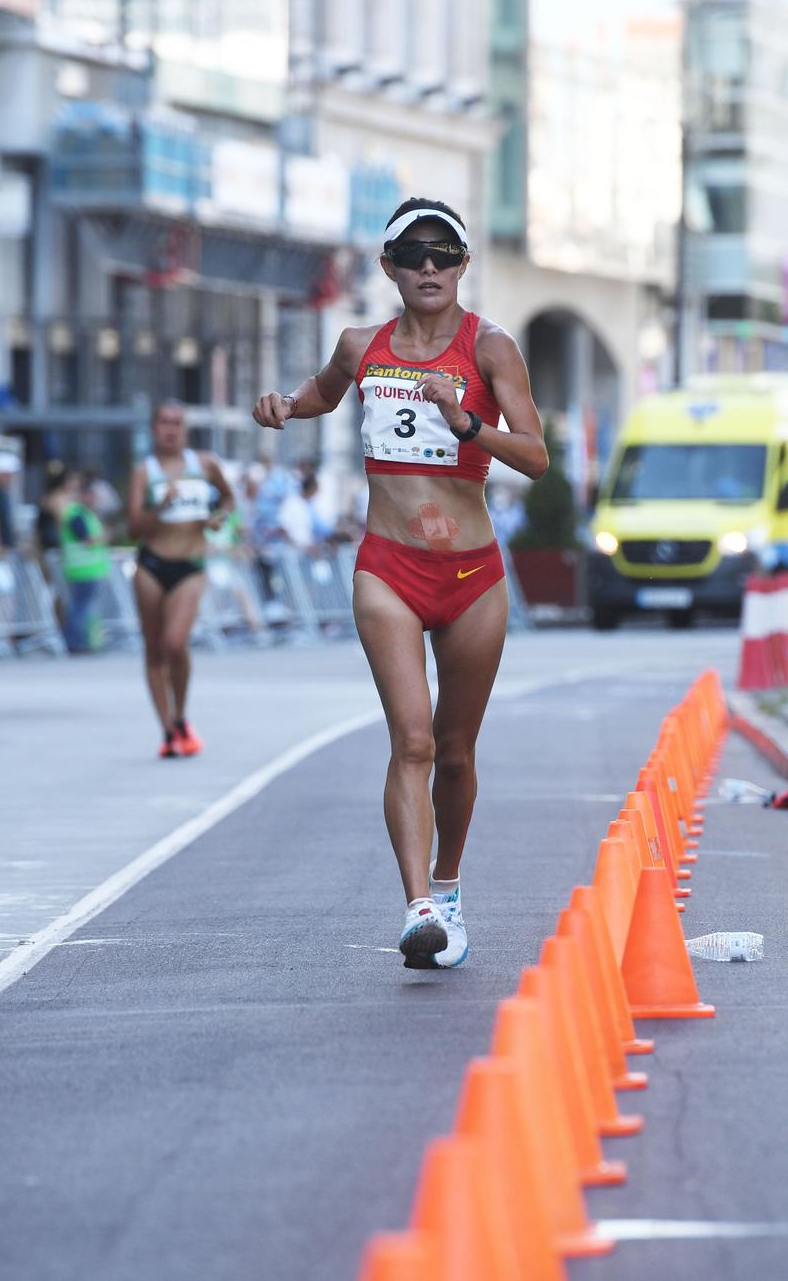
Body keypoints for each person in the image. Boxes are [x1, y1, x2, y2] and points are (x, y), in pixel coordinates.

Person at [253, 196, 549, 969]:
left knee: (455, 752)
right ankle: (418, 909)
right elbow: (324, 390)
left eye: (443, 253)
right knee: (411, 738)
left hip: (474, 575)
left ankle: (448, 885)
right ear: (387, 266)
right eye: (412, 253)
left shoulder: (491, 348)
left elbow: (537, 456)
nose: (428, 266)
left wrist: (467, 426)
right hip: (388, 564)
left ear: (462, 265)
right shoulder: (361, 345)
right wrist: (287, 406)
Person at [126, 402, 234, 758]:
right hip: (151, 564)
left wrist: (218, 518)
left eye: (176, 423)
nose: (170, 430)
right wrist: (160, 508)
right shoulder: (145, 471)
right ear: (154, 428)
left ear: (185, 429)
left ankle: (182, 713)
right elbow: (133, 528)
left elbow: (229, 499)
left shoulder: (203, 464)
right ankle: (168, 729)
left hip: (190, 563)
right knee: (154, 648)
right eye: (163, 423)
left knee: (175, 642)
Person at [53, 467, 112, 653]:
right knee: (80, 608)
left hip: (89, 569)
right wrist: (106, 536)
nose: (96, 500)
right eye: (93, 496)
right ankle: (75, 642)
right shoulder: (75, 514)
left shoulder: (85, 513)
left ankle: (86, 641)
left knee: (84, 608)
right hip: (82, 569)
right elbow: (88, 540)